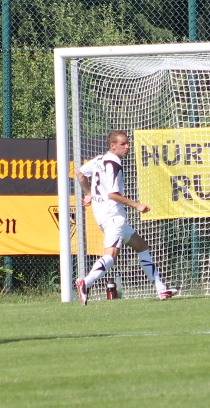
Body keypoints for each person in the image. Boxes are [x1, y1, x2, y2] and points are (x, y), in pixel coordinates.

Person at [75, 130, 176, 304]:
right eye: (123, 144)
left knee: (142, 246)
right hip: (113, 215)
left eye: (128, 143)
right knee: (110, 256)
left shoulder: (99, 160)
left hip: (103, 215)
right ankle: (86, 282)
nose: (127, 146)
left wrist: (88, 193)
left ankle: (161, 289)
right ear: (112, 146)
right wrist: (137, 205)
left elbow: (80, 174)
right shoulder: (113, 164)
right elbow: (113, 194)